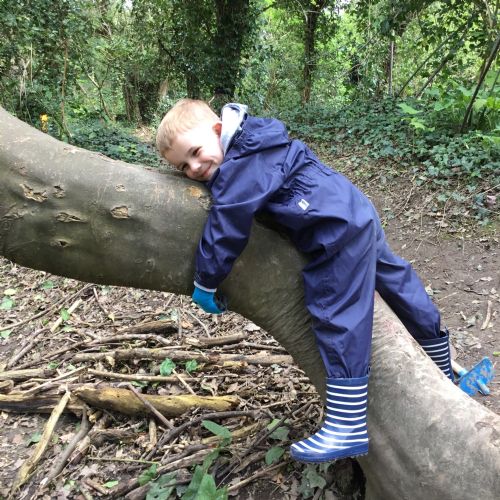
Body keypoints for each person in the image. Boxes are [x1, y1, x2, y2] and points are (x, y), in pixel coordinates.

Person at [155, 98, 454, 463]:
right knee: (396, 281)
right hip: (353, 208)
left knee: (334, 306)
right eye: (183, 166)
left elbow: (228, 222)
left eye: (197, 153)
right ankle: (441, 362)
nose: (196, 167)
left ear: (219, 131)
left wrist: (206, 281)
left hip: (334, 228)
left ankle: (347, 424)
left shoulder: (242, 162)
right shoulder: (259, 139)